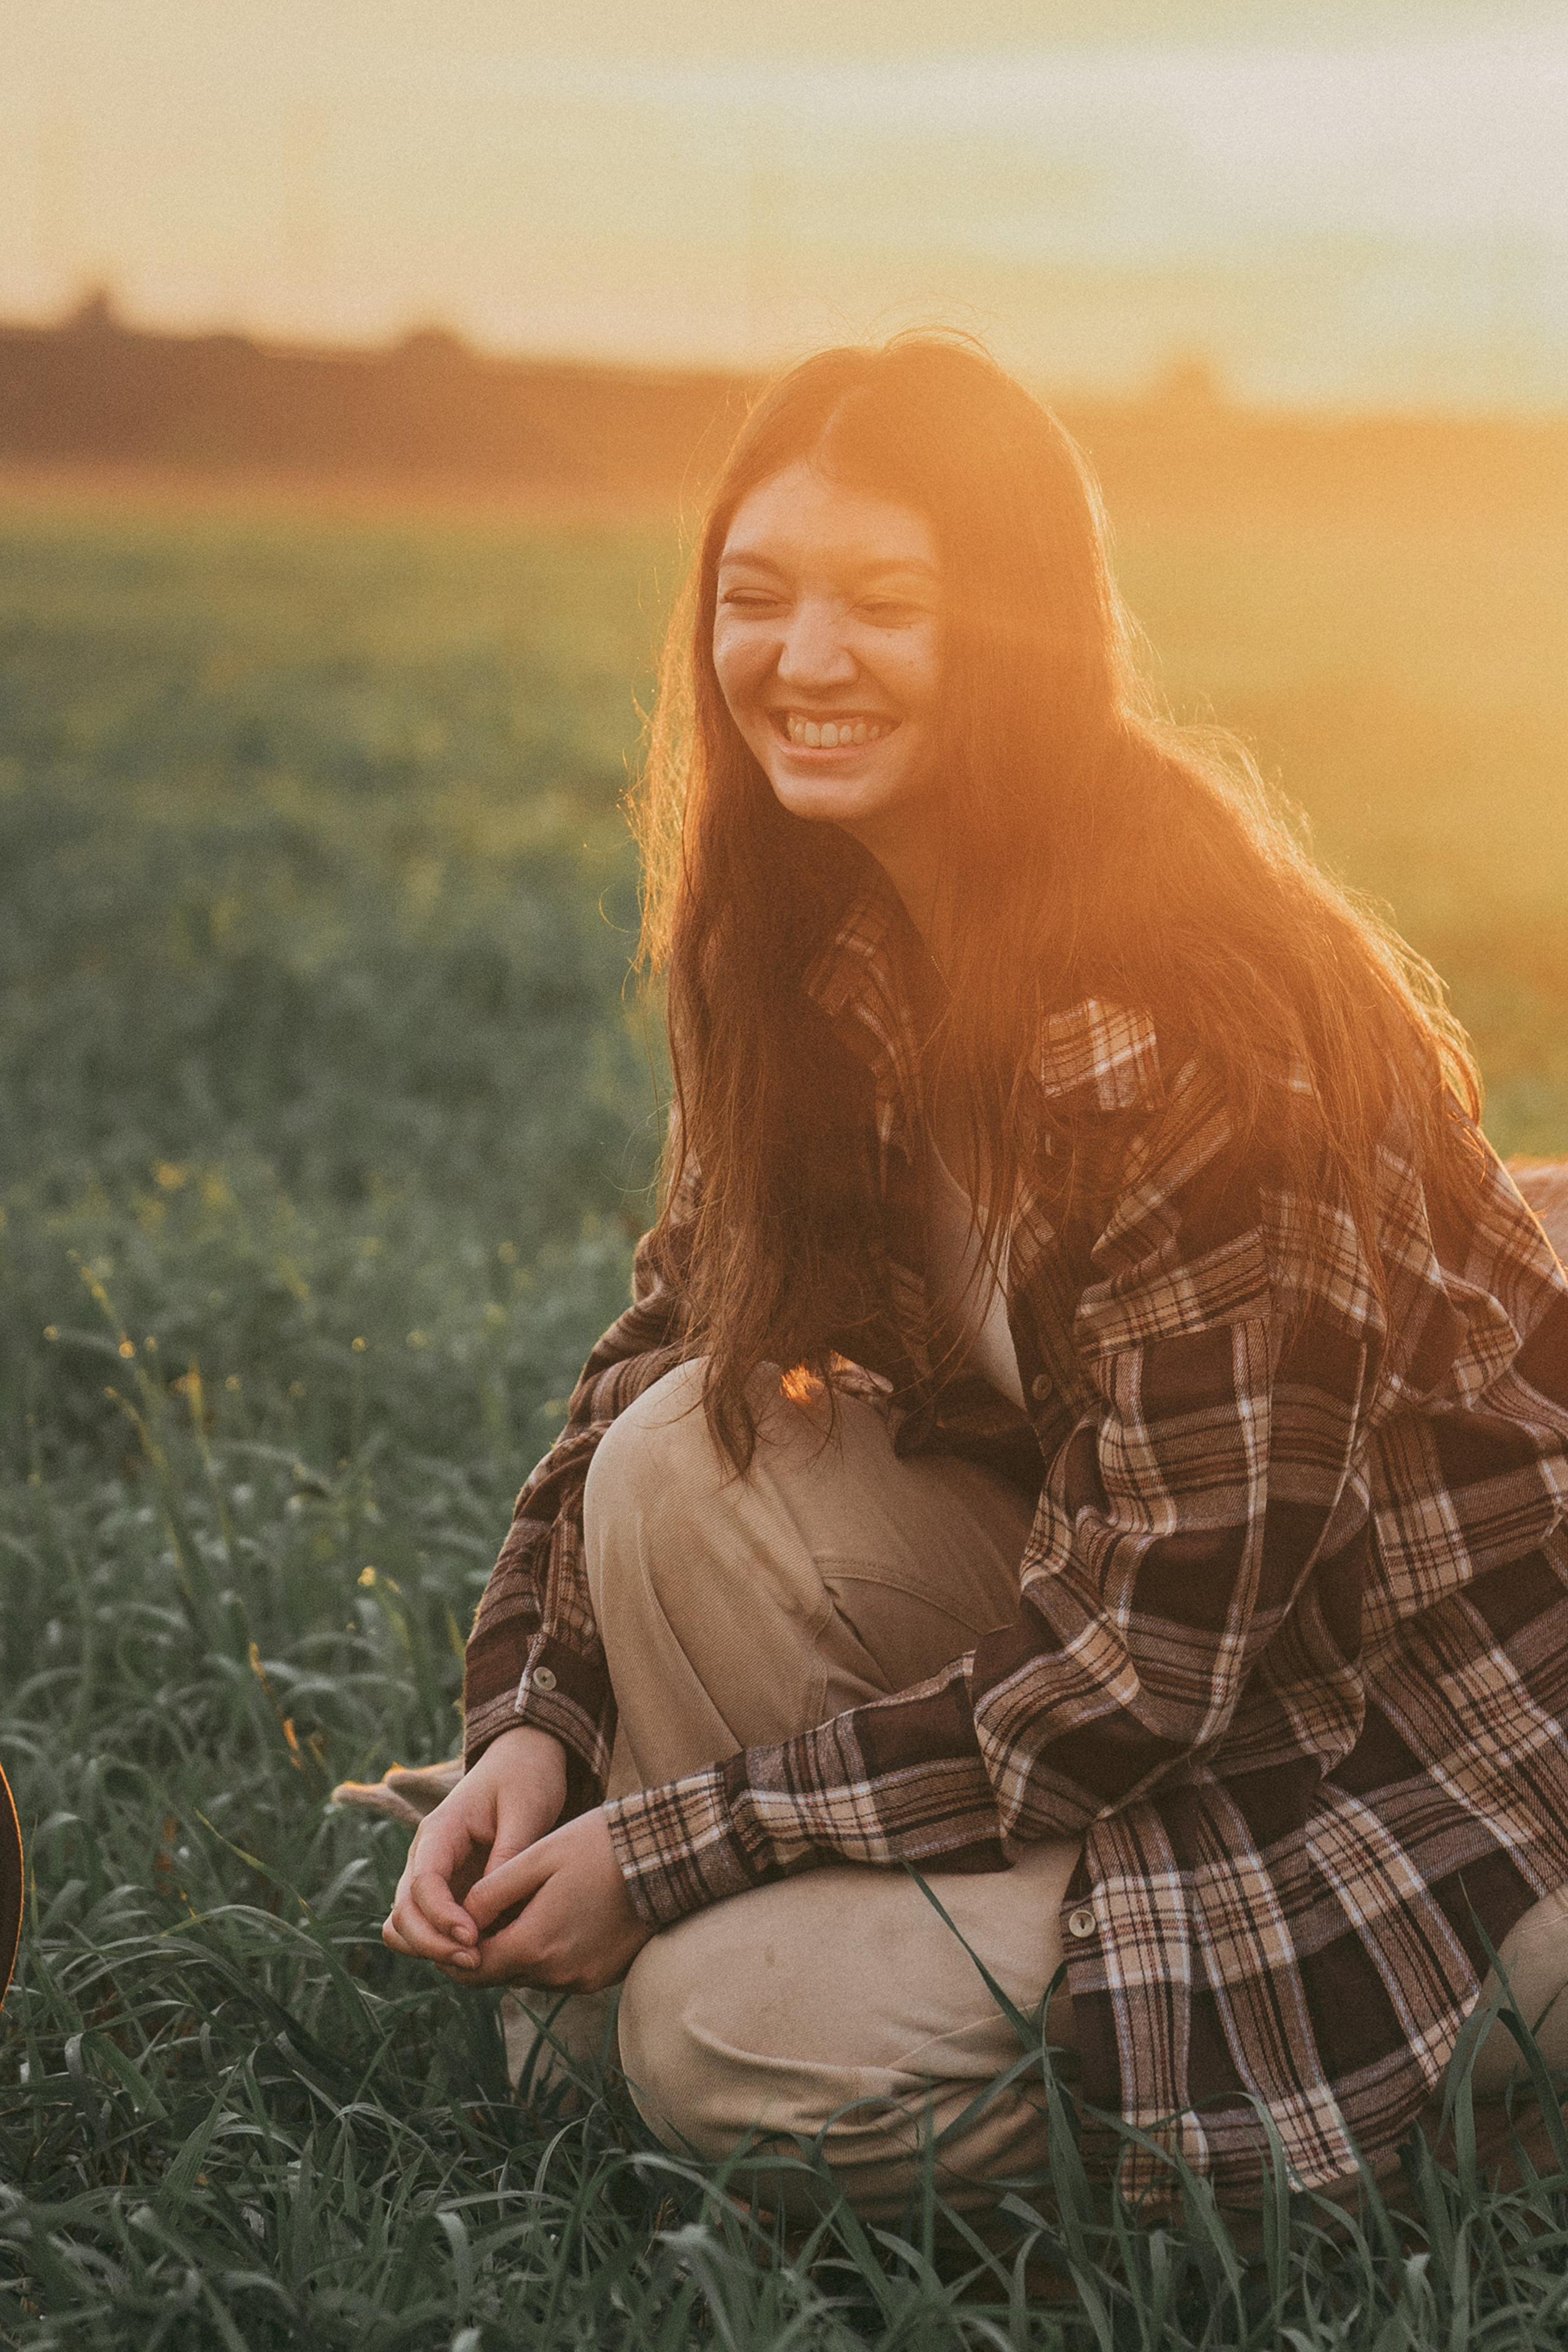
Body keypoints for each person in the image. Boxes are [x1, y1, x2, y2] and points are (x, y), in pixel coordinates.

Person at [380, 335, 1568, 2213]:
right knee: (673, 1460)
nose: (802, 658)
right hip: (1117, 1659)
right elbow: (655, 1346)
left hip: (1385, 1751)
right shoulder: (837, 942)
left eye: (884, 605)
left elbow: (1147, 1672)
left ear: (1014, 631)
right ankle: (705, 1965)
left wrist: (673, 1850)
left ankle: (1489, 2063)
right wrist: (534, 1726)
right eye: (755, 598)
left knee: (712, 2039)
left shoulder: (1195, 1030)